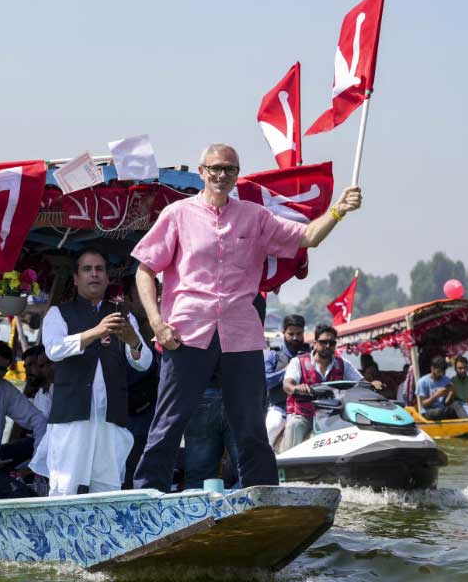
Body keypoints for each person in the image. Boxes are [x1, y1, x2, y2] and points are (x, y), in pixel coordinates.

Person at [131, 143, 362, 492]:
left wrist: (339, 210)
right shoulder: (178, 214)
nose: (221, 175)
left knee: (251, 425)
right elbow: (145, 269)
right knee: (169, 422)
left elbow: (307, 238)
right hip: (186, 332)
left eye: (229, 169)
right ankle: (146, 495)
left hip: (241, 335)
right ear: (202, 172)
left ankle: (263, 497)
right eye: (215, 169)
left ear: (237, 175)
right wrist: (157, 324)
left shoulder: (254, 216)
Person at [30, 248, 152, 496]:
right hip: (72, 417)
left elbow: (145, 362)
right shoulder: (59, 313)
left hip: (110, 418)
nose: (94, 274)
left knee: (107, 490)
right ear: (75, 278)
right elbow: (53, 350)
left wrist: (133, 341)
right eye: (87, 269)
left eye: (99, 269)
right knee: (65, 487)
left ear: (108, 278)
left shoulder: (123, 315)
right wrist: (95, 332)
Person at [281, 324, 363, 452]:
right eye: (323, 342)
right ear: (315, 343)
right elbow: (287, 385)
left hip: (332, 415)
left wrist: (372, 383)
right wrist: (297, 387)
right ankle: (285, 464)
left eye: (332, 343)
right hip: (303, 415)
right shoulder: (298, 362)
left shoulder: (343, 364)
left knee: (354, 429)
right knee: (294, 425)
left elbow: (361, 383)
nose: (328, 346)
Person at [121, 274, 160, 489]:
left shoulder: (158, 323)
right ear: (128, 298)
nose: (150, 298)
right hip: (132, 415)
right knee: (131, 473)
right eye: (143, 293)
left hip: (153, 415)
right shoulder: (125, 323)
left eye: (155, 291)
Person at [264, 314, 310, 451]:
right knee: (271, 428)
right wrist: (287, 370)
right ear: (283, 332)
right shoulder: (273, 356)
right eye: (291, 334)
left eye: (299, 334)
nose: (295, 338)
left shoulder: (312, 354)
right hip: (280, 408)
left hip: (309, 408)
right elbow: (265, 382)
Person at [416, 356, 455, 420]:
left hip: (443, 409)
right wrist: (437, 395)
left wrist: (451, 393)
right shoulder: (422, 382)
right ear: (432, 369)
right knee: (439, 412)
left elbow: (447, 403)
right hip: (428, 412)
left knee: (457, 405)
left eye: (443, 371)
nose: (441, 374)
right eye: (439, 371)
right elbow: (424, 404)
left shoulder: (447, 380)